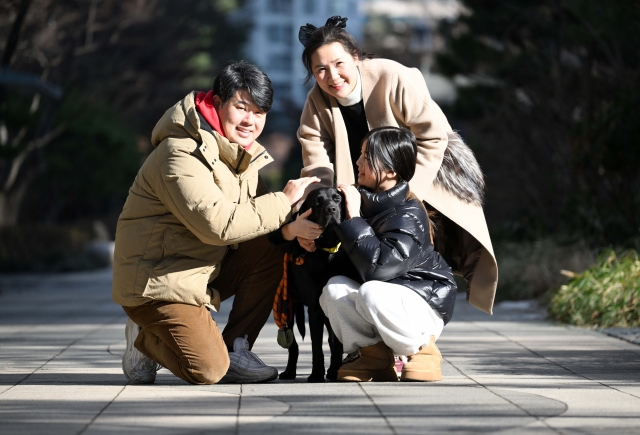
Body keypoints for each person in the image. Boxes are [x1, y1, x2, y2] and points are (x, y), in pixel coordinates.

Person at [112, 61, 319, 385]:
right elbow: (216, 224)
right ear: (218, 102)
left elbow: (260, 218)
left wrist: (296, 226)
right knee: (208, 370)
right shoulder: (180, 152)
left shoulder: (239, 153)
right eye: (241, 107)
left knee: (272, 243)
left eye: (259, 113)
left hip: (200, 271)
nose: (250, 120)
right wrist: (283, 200)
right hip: (157, 281)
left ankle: (237, 347)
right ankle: (146, 336)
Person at [296, 16, 498, 315]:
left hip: (421, 180)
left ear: (355, 57)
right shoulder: (316, 102)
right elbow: (317, 166)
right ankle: (371, 346)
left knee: (416, 261)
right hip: (363, 190)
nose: (332, 76)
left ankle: (419, 339)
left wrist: (404, 195)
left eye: (338, 63)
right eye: (320, 69)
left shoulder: (393, 76)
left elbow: (432, 137)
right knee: (366, 265)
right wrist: (316, 213)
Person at [320, 126, 457, 382]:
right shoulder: (361, 201)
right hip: (385, 300)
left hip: (423, 303)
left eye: (367, 156)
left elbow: (378, 269)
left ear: (391, 171)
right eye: (360, 154)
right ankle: (374, 357)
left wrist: (355, 218)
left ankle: (423, 351)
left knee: (371, 290)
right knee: (334, 289)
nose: (358, 161)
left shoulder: (409, 213)